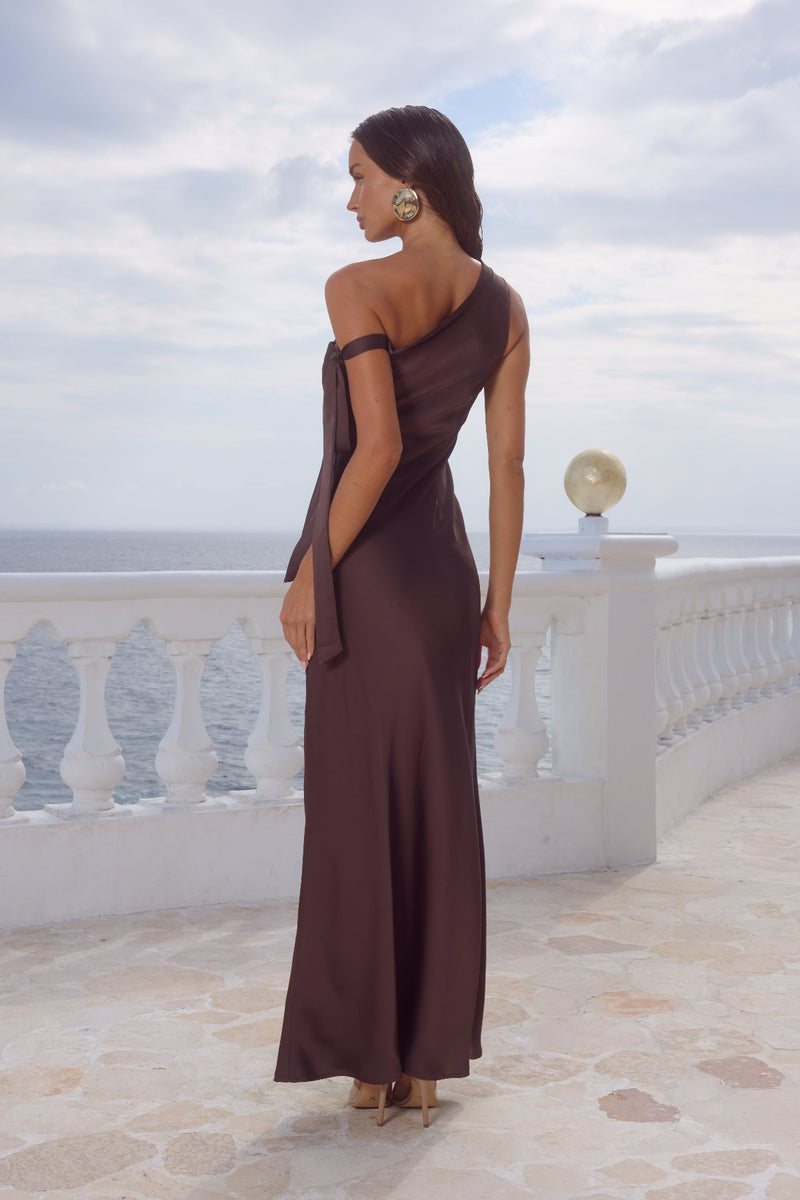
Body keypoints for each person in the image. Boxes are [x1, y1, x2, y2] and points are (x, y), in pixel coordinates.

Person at [274, 105, 528, 1127]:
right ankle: (420, 1062)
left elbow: (372, 450)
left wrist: (308, 575)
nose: (351, 199)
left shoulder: (356, 287)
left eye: (360, 178)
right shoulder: (503, 304)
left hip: (366, 572)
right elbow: (504, 467)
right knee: (432, 805)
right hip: (440, 578)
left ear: (409, 187)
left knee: (352, 811)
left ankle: (365, 1058)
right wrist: (496, 605)